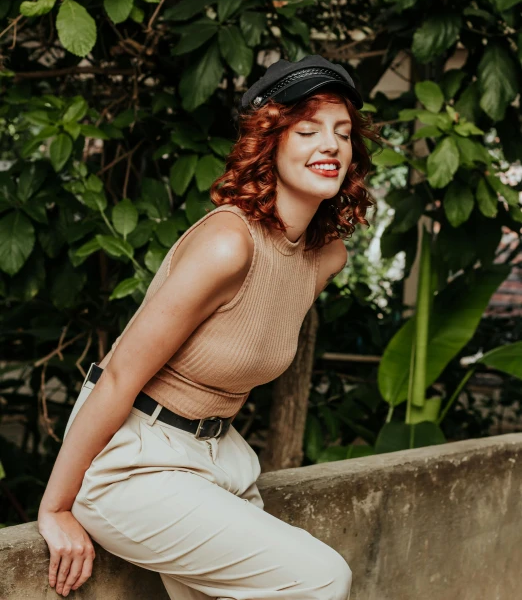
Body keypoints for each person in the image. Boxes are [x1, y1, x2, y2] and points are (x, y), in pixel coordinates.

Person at [37, 54, 379, 599]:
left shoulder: (323, 257)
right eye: (307, 129)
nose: (331, 145)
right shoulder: (228, 244)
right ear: (270, 144)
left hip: (217, 457)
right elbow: (121, 373)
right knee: (321, 579)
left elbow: (257, 331)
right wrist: (55, 507)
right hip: (132, 460)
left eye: (342, 133)